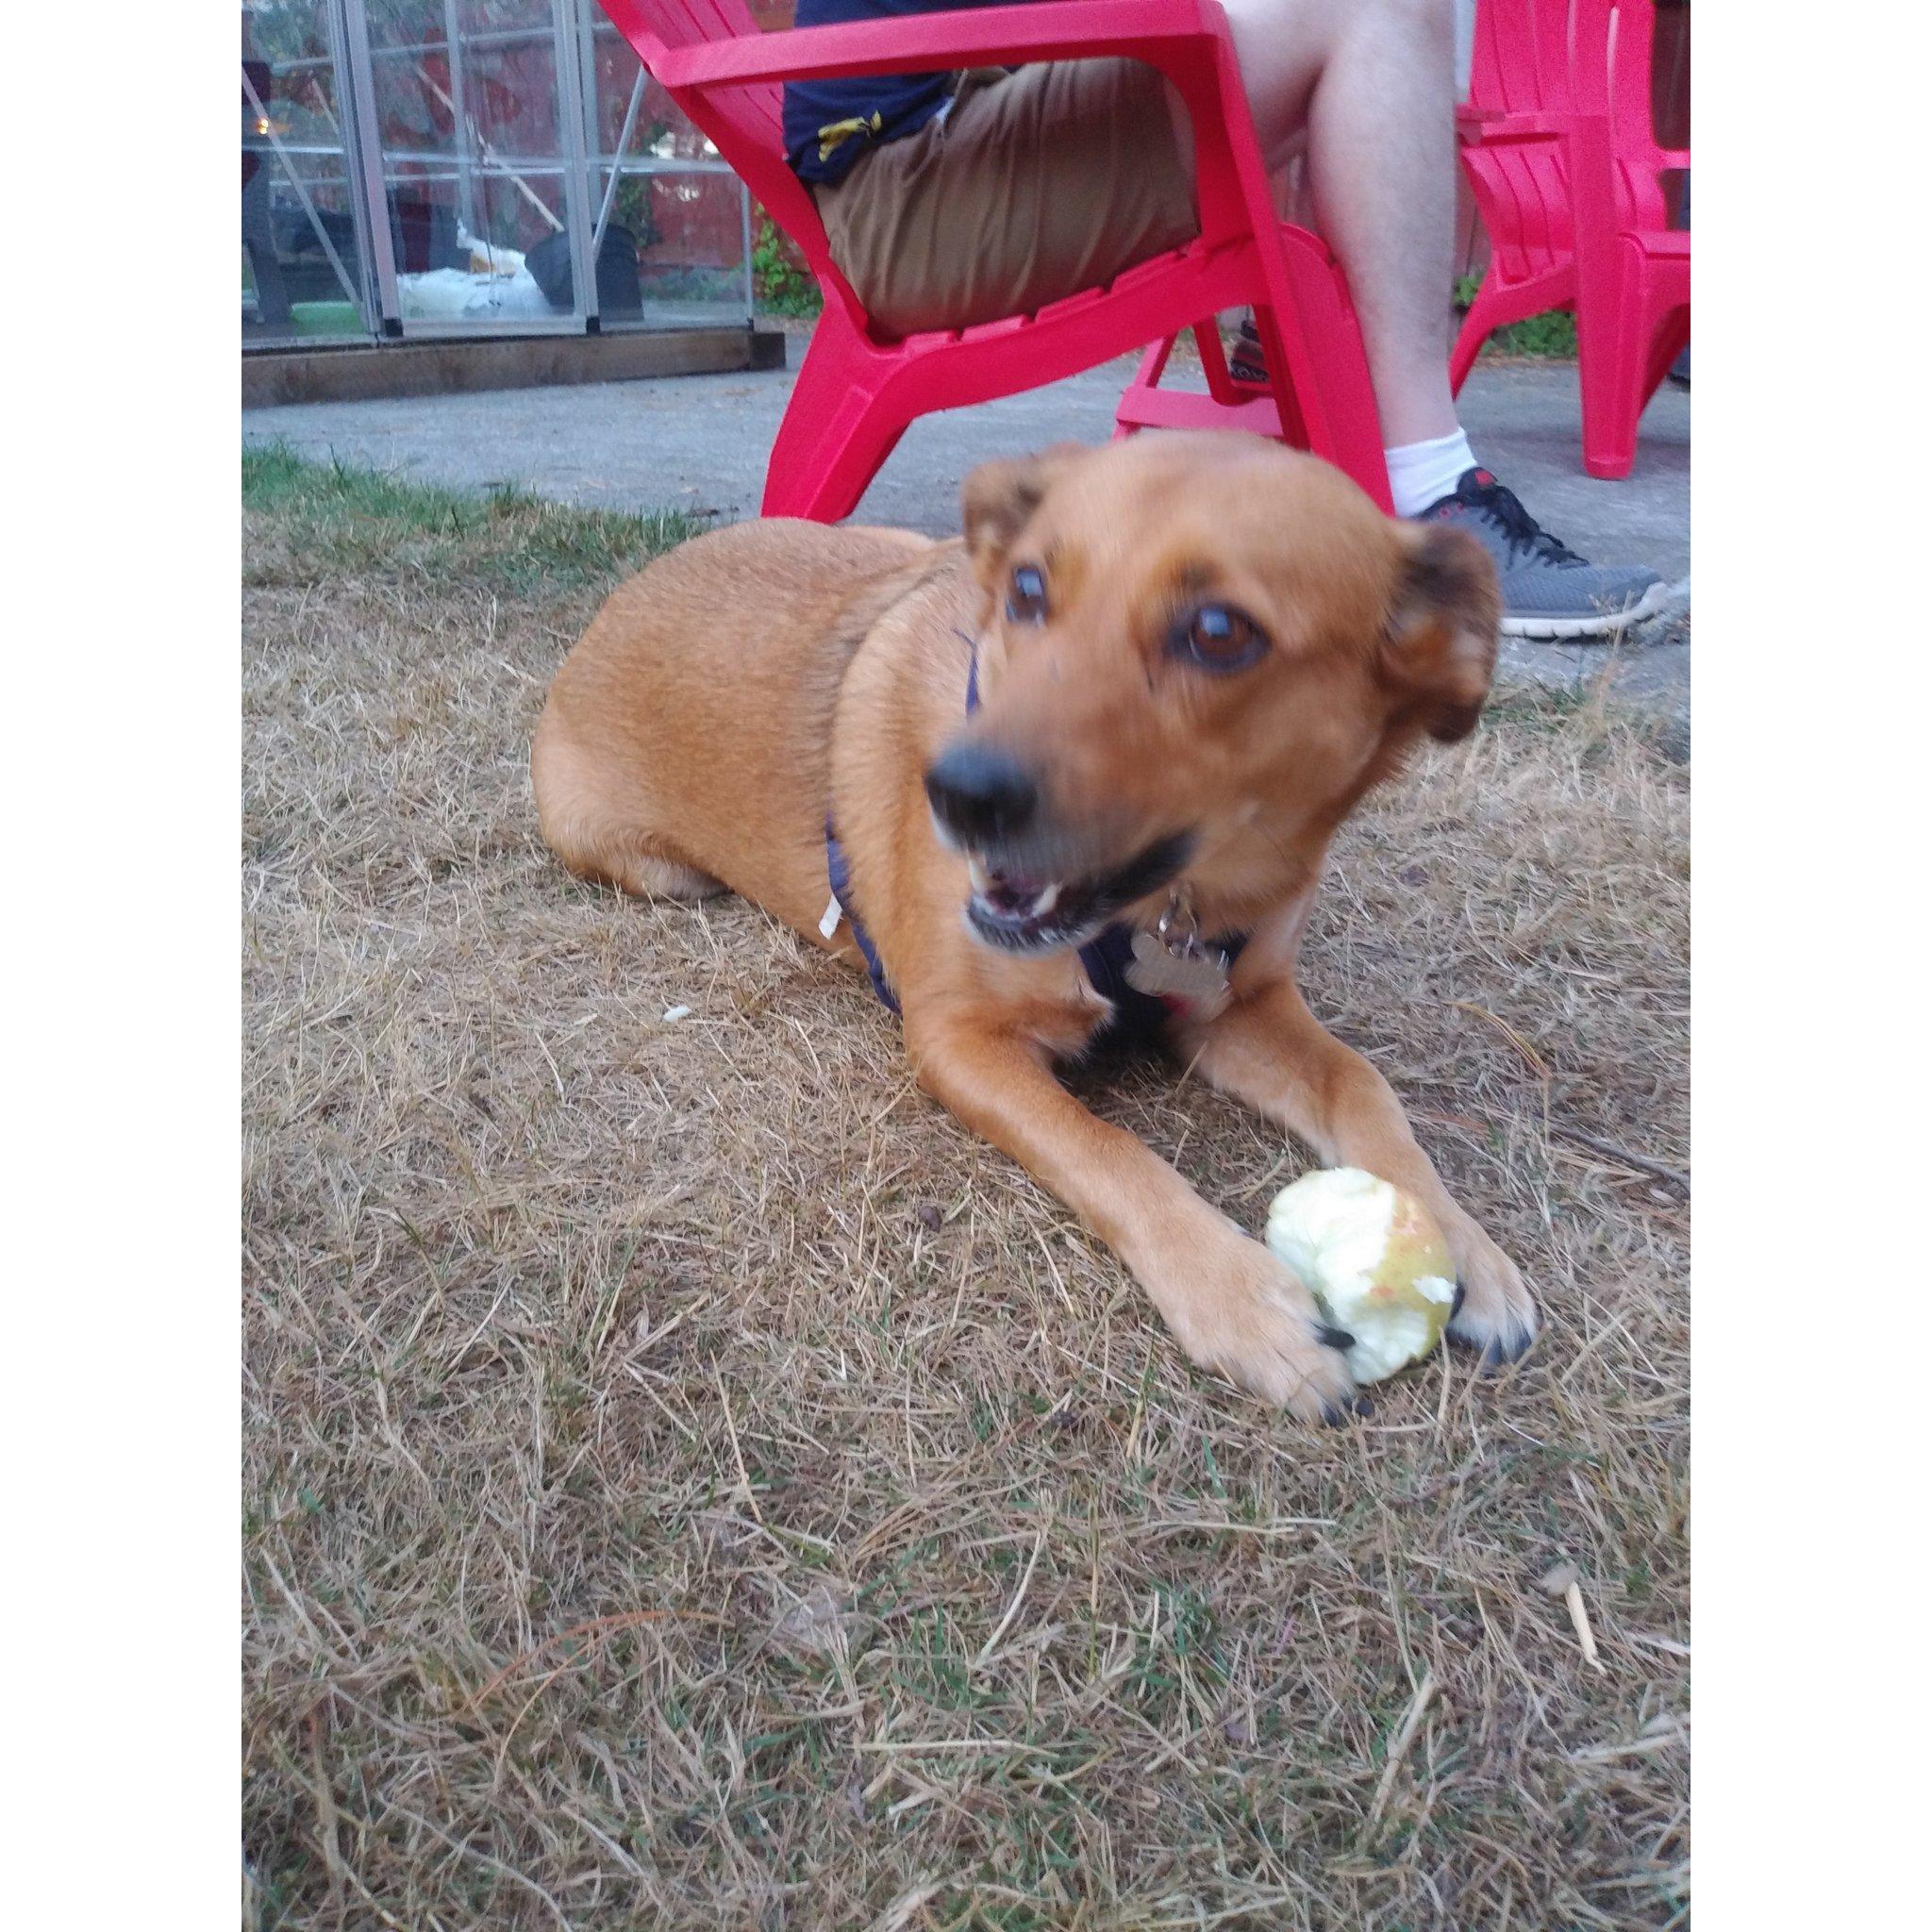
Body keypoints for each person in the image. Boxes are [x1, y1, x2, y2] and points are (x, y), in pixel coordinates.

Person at [783, 0, 1664, 641]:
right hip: (915, 189)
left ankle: (1314, 396)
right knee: (1377, 13)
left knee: (1349, 27)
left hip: (945, 131)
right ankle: (1425, 486)